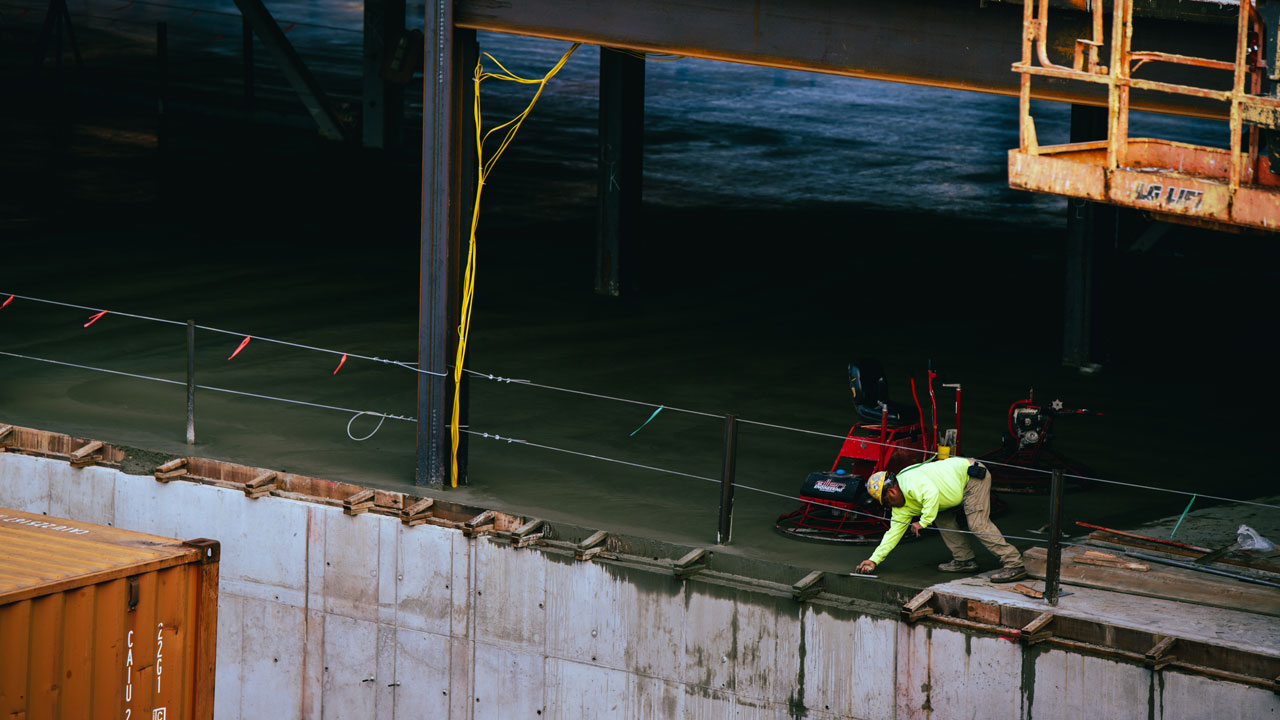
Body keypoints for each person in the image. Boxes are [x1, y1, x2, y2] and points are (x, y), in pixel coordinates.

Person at [854, 456, 1026, 582]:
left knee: (977, 523)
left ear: (891, 492)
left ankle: (1014, 564)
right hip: (951, 492)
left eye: (885, 502)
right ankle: (964, 559)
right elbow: (893, 534)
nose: (887, 507)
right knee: (943, 519)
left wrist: (923, 522)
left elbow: (931, 494)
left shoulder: (911, 483)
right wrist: (874, 559)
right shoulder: (900, 507)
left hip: (971, 477)